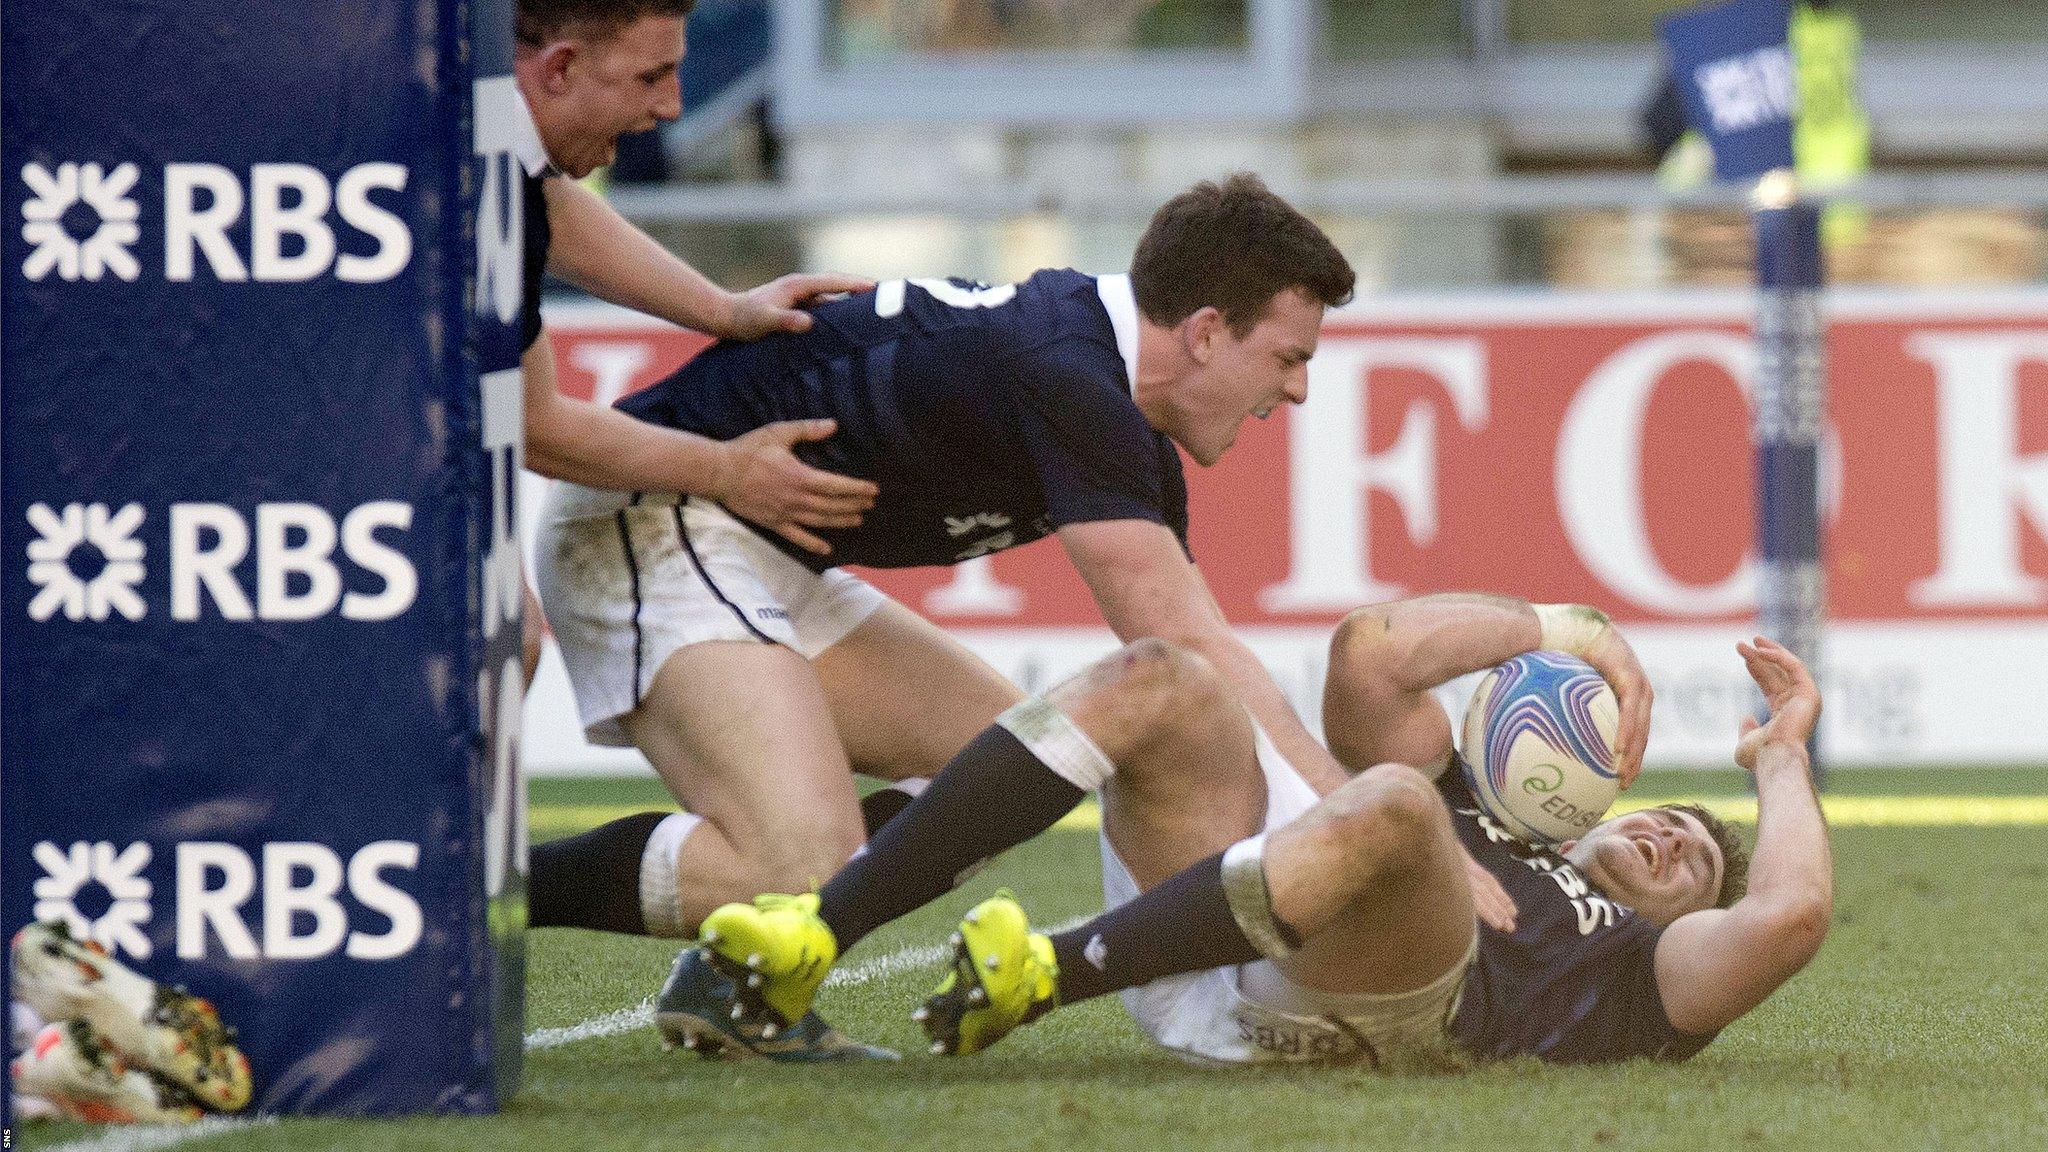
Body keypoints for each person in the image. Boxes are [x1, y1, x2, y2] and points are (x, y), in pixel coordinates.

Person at [525, 176, 1501, 993]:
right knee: (801, 862)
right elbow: (1189, 643)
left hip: (754, 550)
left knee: (1004, 774)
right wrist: (1378, 831)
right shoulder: (1066, 372)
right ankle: (502, 888)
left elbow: (1192, 664)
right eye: (1286, 357)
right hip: (652, 515)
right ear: (1205, 332)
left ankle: (750, 955)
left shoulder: (1106, 399)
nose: (1294, 390)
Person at [687, 595, 1830, 1070]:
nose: (1676, 845)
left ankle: (1036, 978)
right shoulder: (1483, 804)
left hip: (1350, 1007)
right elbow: (1371, 652)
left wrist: (1779, 759)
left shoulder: (1639, 972)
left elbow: (1787, 915)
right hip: (1219, 935)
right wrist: (1552, 625)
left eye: (1689, 871)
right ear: (1602, 806)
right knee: (1161, 678)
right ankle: (804, 942)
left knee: (1391, 804)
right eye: (1671, 819)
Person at [506, 0, 883, 677]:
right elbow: (536, 428)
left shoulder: (485, 139)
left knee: (508, 637)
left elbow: (552, 208)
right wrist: (731, 472)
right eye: (652, 77)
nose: (674, 107)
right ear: (559, 67)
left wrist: (724, 310)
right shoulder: (463, 183)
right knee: (501, 638)